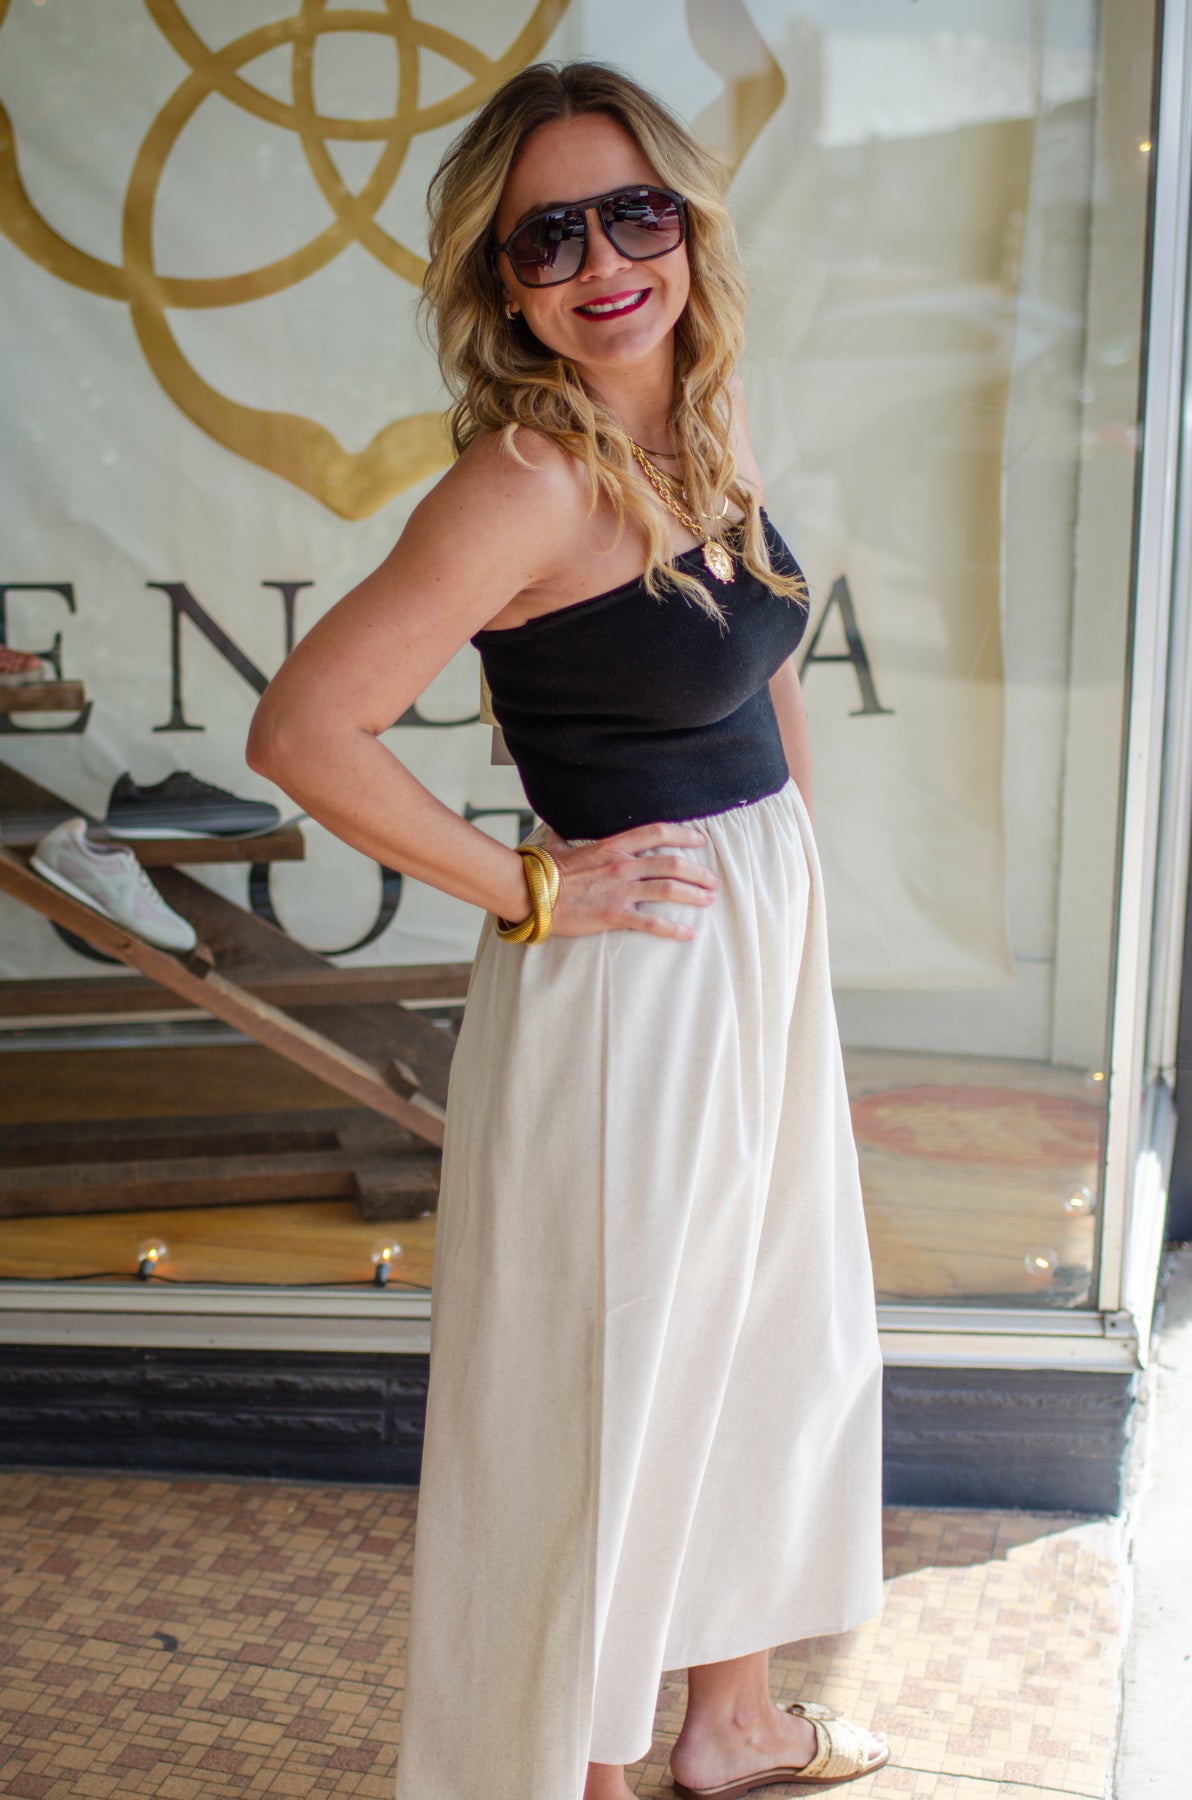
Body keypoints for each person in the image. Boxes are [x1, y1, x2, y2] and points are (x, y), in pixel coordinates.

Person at [247, 59, 888, 1800]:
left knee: (763, 1334)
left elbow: (762, 669)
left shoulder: (707, 416)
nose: (602, 261)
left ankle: (729, 1720)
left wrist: (796, 880)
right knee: (612, 1392)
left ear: (688, 227)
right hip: (633, 984)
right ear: (505, 281)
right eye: (550, 238)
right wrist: (534, 885)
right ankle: (565, 1767)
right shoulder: (525, 483)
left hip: (746, 948)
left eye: (634, 213)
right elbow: (304, 731)